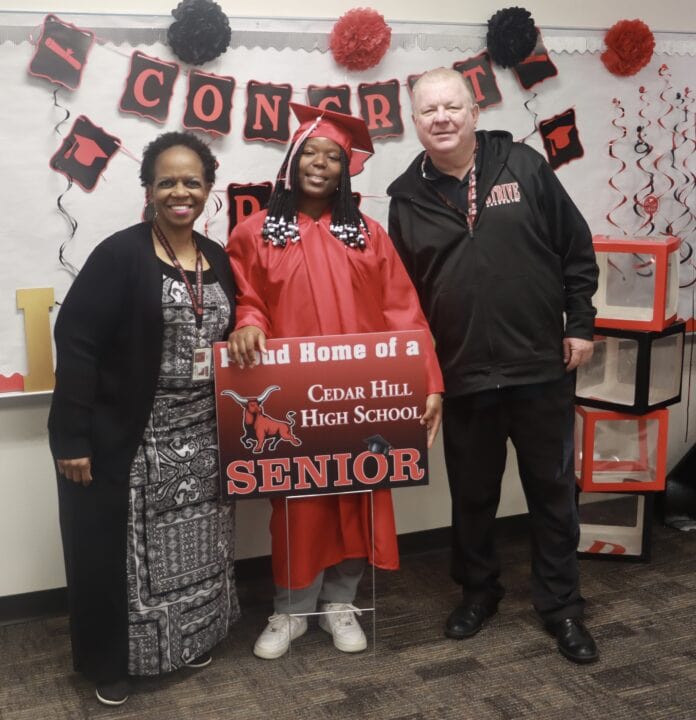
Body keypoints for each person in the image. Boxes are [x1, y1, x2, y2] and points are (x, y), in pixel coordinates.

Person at [387, 68, 600, 664]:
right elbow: (403, 297)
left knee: (552, 493)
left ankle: (561, 607)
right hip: (462, 377)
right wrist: (423, 374)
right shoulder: (405, 199)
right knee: (473, 496)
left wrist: (580, 324)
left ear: (474, 111)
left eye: (451, 106)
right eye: (429, 111)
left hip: (539, 366)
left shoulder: (526, 168)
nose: (442, 118)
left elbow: (576, 249)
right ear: (415, 122)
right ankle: (479, 592)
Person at [226, 103, 444, 660]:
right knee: (296, 507)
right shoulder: (254, 233)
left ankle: (339, 603)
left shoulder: (367, 235)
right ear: (292, 161)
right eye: (310, 154)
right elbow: (245, 299)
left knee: (359, 496)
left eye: (332, 158)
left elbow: (404, 313)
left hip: (362, 395)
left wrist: (428, 383)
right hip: (299, 399)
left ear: (346, 171)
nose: (319, 165)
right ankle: (292, 610)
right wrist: (249, 324)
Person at [48, 131, 240, 706]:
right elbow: (76, 341)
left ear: (208, 188)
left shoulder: (217, 255)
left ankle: (191, 641)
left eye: (192, 181)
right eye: (167, 181)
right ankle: (113, 664)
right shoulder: (120, 253)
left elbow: (235, 323)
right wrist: (72, 437)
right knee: (125, 566)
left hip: (205, 439)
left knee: (203, 549)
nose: (180, 191)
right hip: (134, 442)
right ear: (149, 188)